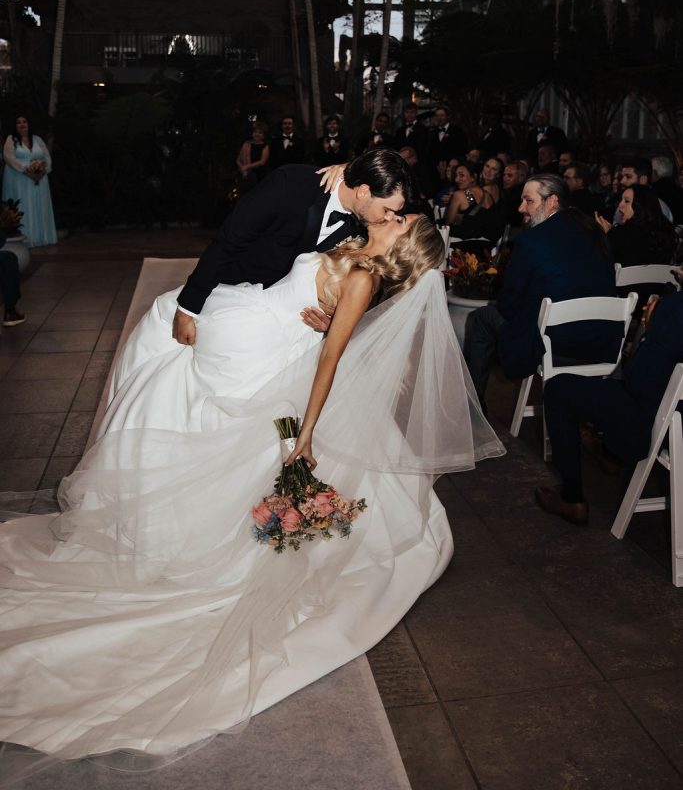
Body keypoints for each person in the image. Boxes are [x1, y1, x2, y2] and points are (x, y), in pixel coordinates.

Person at [0, 214, 504, 773]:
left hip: (285, 371)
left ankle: (218, 540)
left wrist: (306, 434)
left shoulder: (364, 278)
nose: (394, 214)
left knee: (253, 446)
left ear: (405, 243)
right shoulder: (356, 250)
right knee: (222, 443)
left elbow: (332, 357)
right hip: (274, 348)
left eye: (403, 219)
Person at [173, 148, 413, 347]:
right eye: (387, 210)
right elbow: (229, 241)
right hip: (228, 294)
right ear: (363, 191)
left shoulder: (366, 229)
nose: (388, 218)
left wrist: (334, 325)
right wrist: (188, 309)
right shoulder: (291, 183)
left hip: (284, 326)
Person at [464, 173, 621, 408]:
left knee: (480, 318)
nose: (520, 208)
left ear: (552, 202)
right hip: (601, 341)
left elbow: (508, 304)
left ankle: (473, 407)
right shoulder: (594, 231)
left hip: (555, 343)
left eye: (529, 201)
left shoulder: (532, 240)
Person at [536, 291, 683, 525]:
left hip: (658, 427)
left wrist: (649, 330)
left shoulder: (675, 307)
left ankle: (572, 499)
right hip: (669, 414)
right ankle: (609, 454)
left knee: (558, 390)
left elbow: (638, 382)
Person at [1, 115, 57, 248]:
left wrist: (43, 170)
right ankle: (27, 238)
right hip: (19, 178)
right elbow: (9, 158)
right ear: (15, 126)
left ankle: (43, 237)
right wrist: (27, 170)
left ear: (29, 124)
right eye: (18, 122)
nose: (22, 124)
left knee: (40, 205)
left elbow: (47, 157)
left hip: (40, 179)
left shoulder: (38, 139)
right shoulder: (11, 139)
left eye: (24, 121)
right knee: (24, 205)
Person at [595, 185, 676, 267]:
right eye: (621, 200)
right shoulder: (666, 234)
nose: (620, 205)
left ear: (641, 206)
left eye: (626, 201)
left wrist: (607, 235)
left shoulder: (621, 235)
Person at [444, 162, 493, 227]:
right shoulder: (487, 195)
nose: (456, 179)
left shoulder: (460, 195)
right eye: (456, 176)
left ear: (473, 177)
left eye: (461, 175)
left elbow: (447, 225)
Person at [236, 121, 270, 192]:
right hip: (245, 175)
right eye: (255, 132)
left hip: (260, 176)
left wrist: (246, 167)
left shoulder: (265, 146)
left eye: (260, 133)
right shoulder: (246, 144)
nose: (257, 134)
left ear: (263, 135)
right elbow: (238, 159)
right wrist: (242, 169)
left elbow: (262, 162)